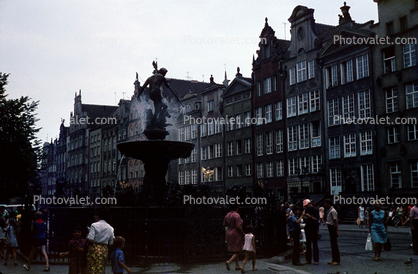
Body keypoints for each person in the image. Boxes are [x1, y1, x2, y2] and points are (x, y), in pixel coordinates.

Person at [86, 207, 115, 274]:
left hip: (94, 248)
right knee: (100, 268)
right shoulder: (110, 228)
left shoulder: (94, 225)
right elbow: (111, 242)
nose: (94, 216)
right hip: (104, 249)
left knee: (92, 268)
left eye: (95, 215)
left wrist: (87, 236)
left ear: (99, 216)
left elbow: (90, 239)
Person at [223, 204, 245, 271]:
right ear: (236, 208)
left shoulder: (227, 215)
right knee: (239, 249)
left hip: (229, 232)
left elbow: (224, 224)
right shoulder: (237, 215)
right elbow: (238, 226)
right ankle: (229, 261)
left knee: (234, 249)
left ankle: (237, 265)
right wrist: (243, 233)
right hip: (235, 233)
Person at [302, 199, 319, 265]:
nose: (306, 207)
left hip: (313, 228)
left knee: (315, 244)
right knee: (308, 244)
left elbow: (317, 219)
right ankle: (308, 260)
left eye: (307, 205)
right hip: (308, 227)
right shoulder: (306, 210)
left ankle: (316, 260)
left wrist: (310, 217)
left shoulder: (315, 210)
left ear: (309, 203)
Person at [325, 199, 340, 266]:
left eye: (325, 204)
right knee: (332, 244)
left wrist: (336, 231)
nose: (325, 205)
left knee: (334, 244)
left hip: (332, 227)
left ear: (329, 203)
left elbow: (335, 221)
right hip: (330, 227)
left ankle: (336, 260)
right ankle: (333, 259)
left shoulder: (333, 211)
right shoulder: (330, 210)